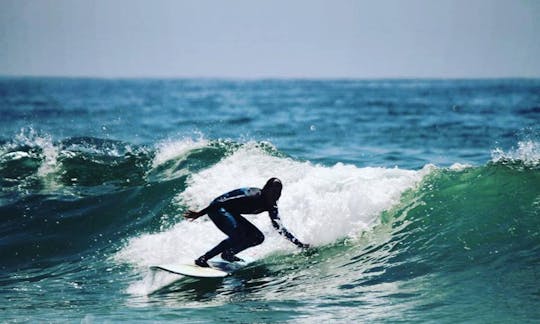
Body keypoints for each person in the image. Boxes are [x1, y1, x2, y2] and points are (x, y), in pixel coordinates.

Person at [183, 177, 309, 267]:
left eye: (279, 192)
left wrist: (299, 244)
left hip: (231, 212)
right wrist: (199, 213)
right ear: (266, 189)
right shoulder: (253, 195)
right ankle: (203, 259)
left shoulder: (272, 206)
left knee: (258, 237)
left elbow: (279, 228)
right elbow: (221, 202)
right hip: (218, 208)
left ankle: (228, 254)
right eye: (274, 191)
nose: (276, 195)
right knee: (238, 234)